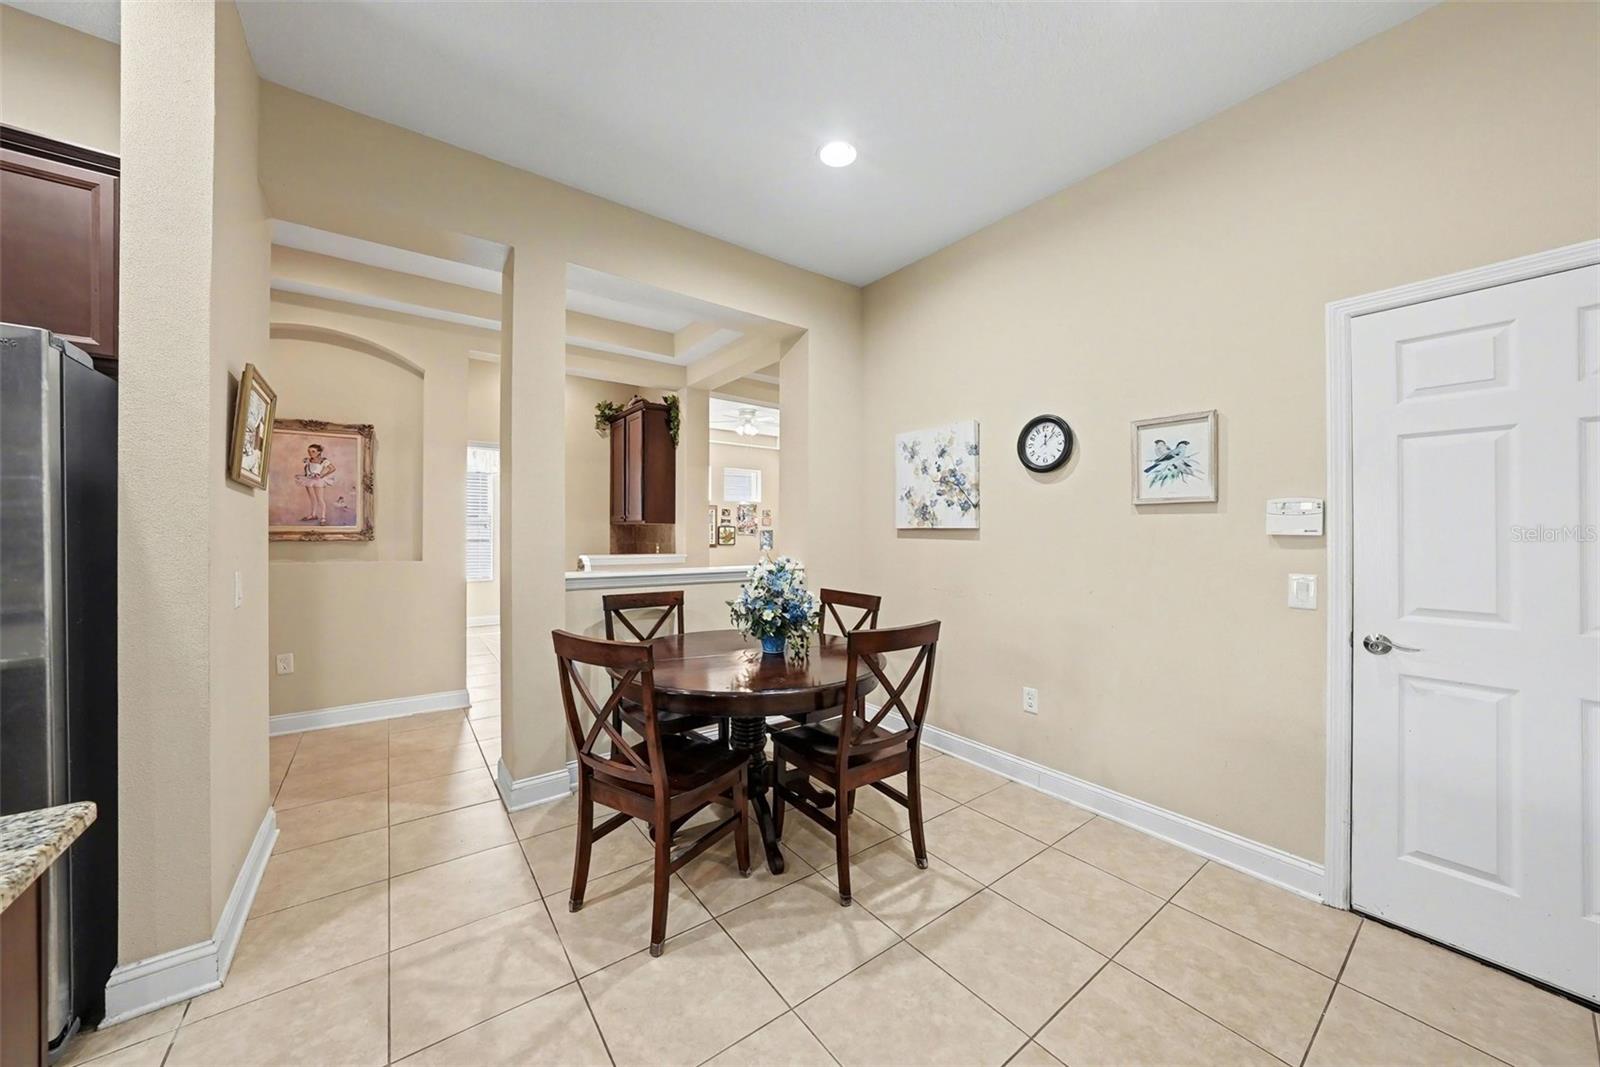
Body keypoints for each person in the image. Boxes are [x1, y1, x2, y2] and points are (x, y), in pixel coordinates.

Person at [293, 443, 338, 524]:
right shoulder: (307, 460)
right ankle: (313, 515)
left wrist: (322, 475)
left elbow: (332, 468)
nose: (310, 453)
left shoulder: (323, 461)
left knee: (320, 499)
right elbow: (307, 471)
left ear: (319, 452)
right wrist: (304, 475)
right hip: (309, 480)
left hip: (318, 481)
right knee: (312, 499)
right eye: (309, 451)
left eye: (313, 451)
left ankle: (323, 517)